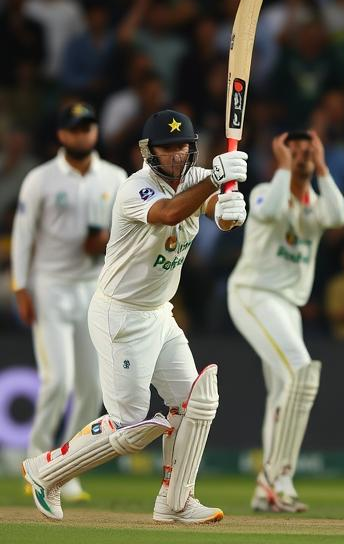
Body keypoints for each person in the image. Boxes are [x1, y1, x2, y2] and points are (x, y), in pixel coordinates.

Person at [21, 109, 248, 524]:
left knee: (197, 401)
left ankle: (175, 501)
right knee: (128, 424)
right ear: (150, 152)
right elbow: (170, 213)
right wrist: (216, 181)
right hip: (119, 315)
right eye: (167, 147)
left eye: (183, 146)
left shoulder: (197, 180)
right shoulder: (135, 189)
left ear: (193, 148)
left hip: (159, 313)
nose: (177, 154)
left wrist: (230, 207)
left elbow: (214, 211)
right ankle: (45, 471)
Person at [10, 103, 126, 501]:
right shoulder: (40, 179)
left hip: (95, 289)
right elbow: (23, 235)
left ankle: (67, 469)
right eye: (75, 129)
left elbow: (127, 234)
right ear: (61, 135)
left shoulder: (115, 177)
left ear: (95, 132)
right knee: (57, 381)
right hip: (50, 287)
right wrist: (20, 287)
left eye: (88, 128)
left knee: (92, 387)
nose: (82, 135)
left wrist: (104, 241)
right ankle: (35, 462)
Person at [227, 130, 344, 512]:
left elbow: (340, 216)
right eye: (293, 151)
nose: (301, 156)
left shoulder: (316, 203)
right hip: (253, 293)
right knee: (301, 372)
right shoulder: (265, 190)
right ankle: (276, 478)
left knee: (283, 391)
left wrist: (324, 167)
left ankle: (270, 488)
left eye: (307, 150)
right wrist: (281, 166)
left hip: (287, 307)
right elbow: (270, 212)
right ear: (281, 156)